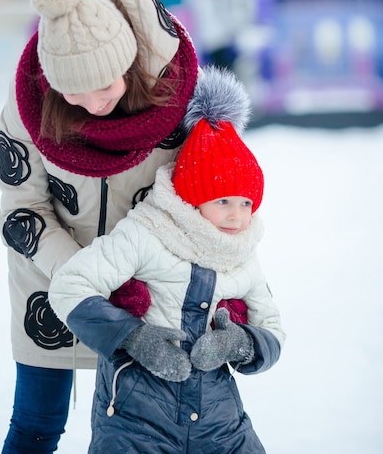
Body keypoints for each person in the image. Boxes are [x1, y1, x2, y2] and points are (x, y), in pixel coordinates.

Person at [0, 0, 200, 453]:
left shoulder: (176, 92)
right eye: (73, 92)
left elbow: (201, 202)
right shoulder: (27, 96)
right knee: (36, 422)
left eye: (103, 85)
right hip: (52, 282)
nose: (91, 104)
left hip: (147, 287)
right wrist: (84, 279)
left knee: (143, 435)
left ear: (129, 64)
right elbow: (20, 208)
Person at [49, 66, 285, 454]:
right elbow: (70, 286)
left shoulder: (241, 252)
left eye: (246, 203)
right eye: (222, 200)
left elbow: (273, 326)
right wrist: (133, 338)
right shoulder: (147, 234)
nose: (236, 216)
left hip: (219, 423)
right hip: (134, 421)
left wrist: (241, 344)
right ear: (193, 196)